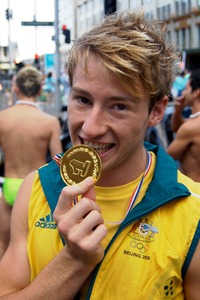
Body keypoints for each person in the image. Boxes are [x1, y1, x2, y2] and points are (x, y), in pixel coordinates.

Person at [0, 11, 199, 299]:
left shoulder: (192, 212)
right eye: (82, 99)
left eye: (119, 106)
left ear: (156, 110)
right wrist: (73, 261)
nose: (91, 128)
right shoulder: (36, 188)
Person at [0, 65, 63, 258]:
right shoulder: (49, 122)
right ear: (40, 89)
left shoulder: (2, 118)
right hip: (35, 187)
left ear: (16, 88)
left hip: (8, 185)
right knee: (33, 244)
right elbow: (58, 162)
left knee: (3, 244)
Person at [167, 70, 200, 182]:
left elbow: (167, 159)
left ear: (196, 92)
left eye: (186, 89)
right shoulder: (193, 124)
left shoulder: (191, 127)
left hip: (194, 191)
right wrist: (178, 111)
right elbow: (176, 128)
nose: (183, 93)